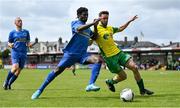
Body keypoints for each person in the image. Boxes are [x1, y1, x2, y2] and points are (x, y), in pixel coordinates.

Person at [31, 7, 102, 100]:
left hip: (82, 55)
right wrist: (92, 23)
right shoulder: (75, 23)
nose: (86, 16)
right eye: (84, 15)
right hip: (71, 54)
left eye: (87, 15)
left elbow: (95, 36)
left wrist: (95, 26)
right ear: (78, 15)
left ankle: (90, 84)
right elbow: (79, 29)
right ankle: (39, 90)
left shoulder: (89, 30)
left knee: (98, 60)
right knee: (57, 71)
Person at [94, 11, 154, 95]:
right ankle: (110, 82)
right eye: (104, 18)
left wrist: (130, 21)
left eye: (107, 18)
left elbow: (121, 28)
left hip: (119, 53)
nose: (106, 20)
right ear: (99, 19)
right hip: (110, 58)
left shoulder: (110, 28)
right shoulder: (95, 30)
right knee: (124, 76)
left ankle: (142, 90)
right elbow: (89, 41)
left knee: (135, 67)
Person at [3, 17, 32, 90]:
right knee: (15, 67)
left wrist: (29, 45)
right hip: (15, 52)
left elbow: (28, 42)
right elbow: (9, 42)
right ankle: (6, 81)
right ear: (15, 23)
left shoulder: (26, 32)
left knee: (18, 71)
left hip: (24, 53)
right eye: (19, 21)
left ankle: (9, 84)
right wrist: (10, 45)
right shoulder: (12, 33)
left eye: (21, 21)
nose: (20, 22)